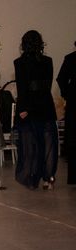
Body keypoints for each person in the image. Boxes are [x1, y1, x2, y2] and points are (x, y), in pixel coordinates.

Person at [14, 30, 58, 190]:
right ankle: (49, 179)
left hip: (28, 107)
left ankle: (32, 178)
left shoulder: (19, 63)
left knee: (29, 145)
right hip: (46, 105)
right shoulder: (48, 61)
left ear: (23, 44)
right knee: (49, 144)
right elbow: (47, 85)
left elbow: (22, 88)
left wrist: (25, 108)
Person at [57, 40, 76, 184]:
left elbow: (61, 79)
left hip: (74, 104)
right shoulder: (70, 58)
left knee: (74, 139)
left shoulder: (70, 58)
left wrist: (68, 94)